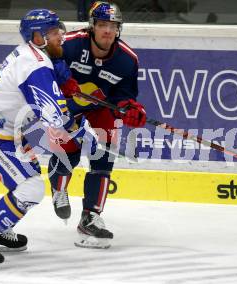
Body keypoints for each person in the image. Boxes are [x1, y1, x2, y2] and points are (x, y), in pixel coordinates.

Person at [0, 9, 98, 270]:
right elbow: (56, 120)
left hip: (2, 129)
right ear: (37, 37)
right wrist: (88, 123)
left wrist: (62, 80)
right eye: (54, 32)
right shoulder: (36, 66)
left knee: (29, 181)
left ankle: (1, 228)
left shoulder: (33, 56)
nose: (61, 37)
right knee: (31, 188)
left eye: (60, 30)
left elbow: (44, 104)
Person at [48, 1, 146, 249]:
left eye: (113, 26)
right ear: (92, 27)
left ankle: (90, 217)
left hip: (101, 105)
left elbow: (124, 97)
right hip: (66, 102)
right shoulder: (69, 44)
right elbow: (44, 63)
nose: (107, 31)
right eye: (102, 25)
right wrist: (62, 78)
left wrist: (130, 110)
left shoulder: (127, 60)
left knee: (105, 154)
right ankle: (59, 187)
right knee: (68, 155)